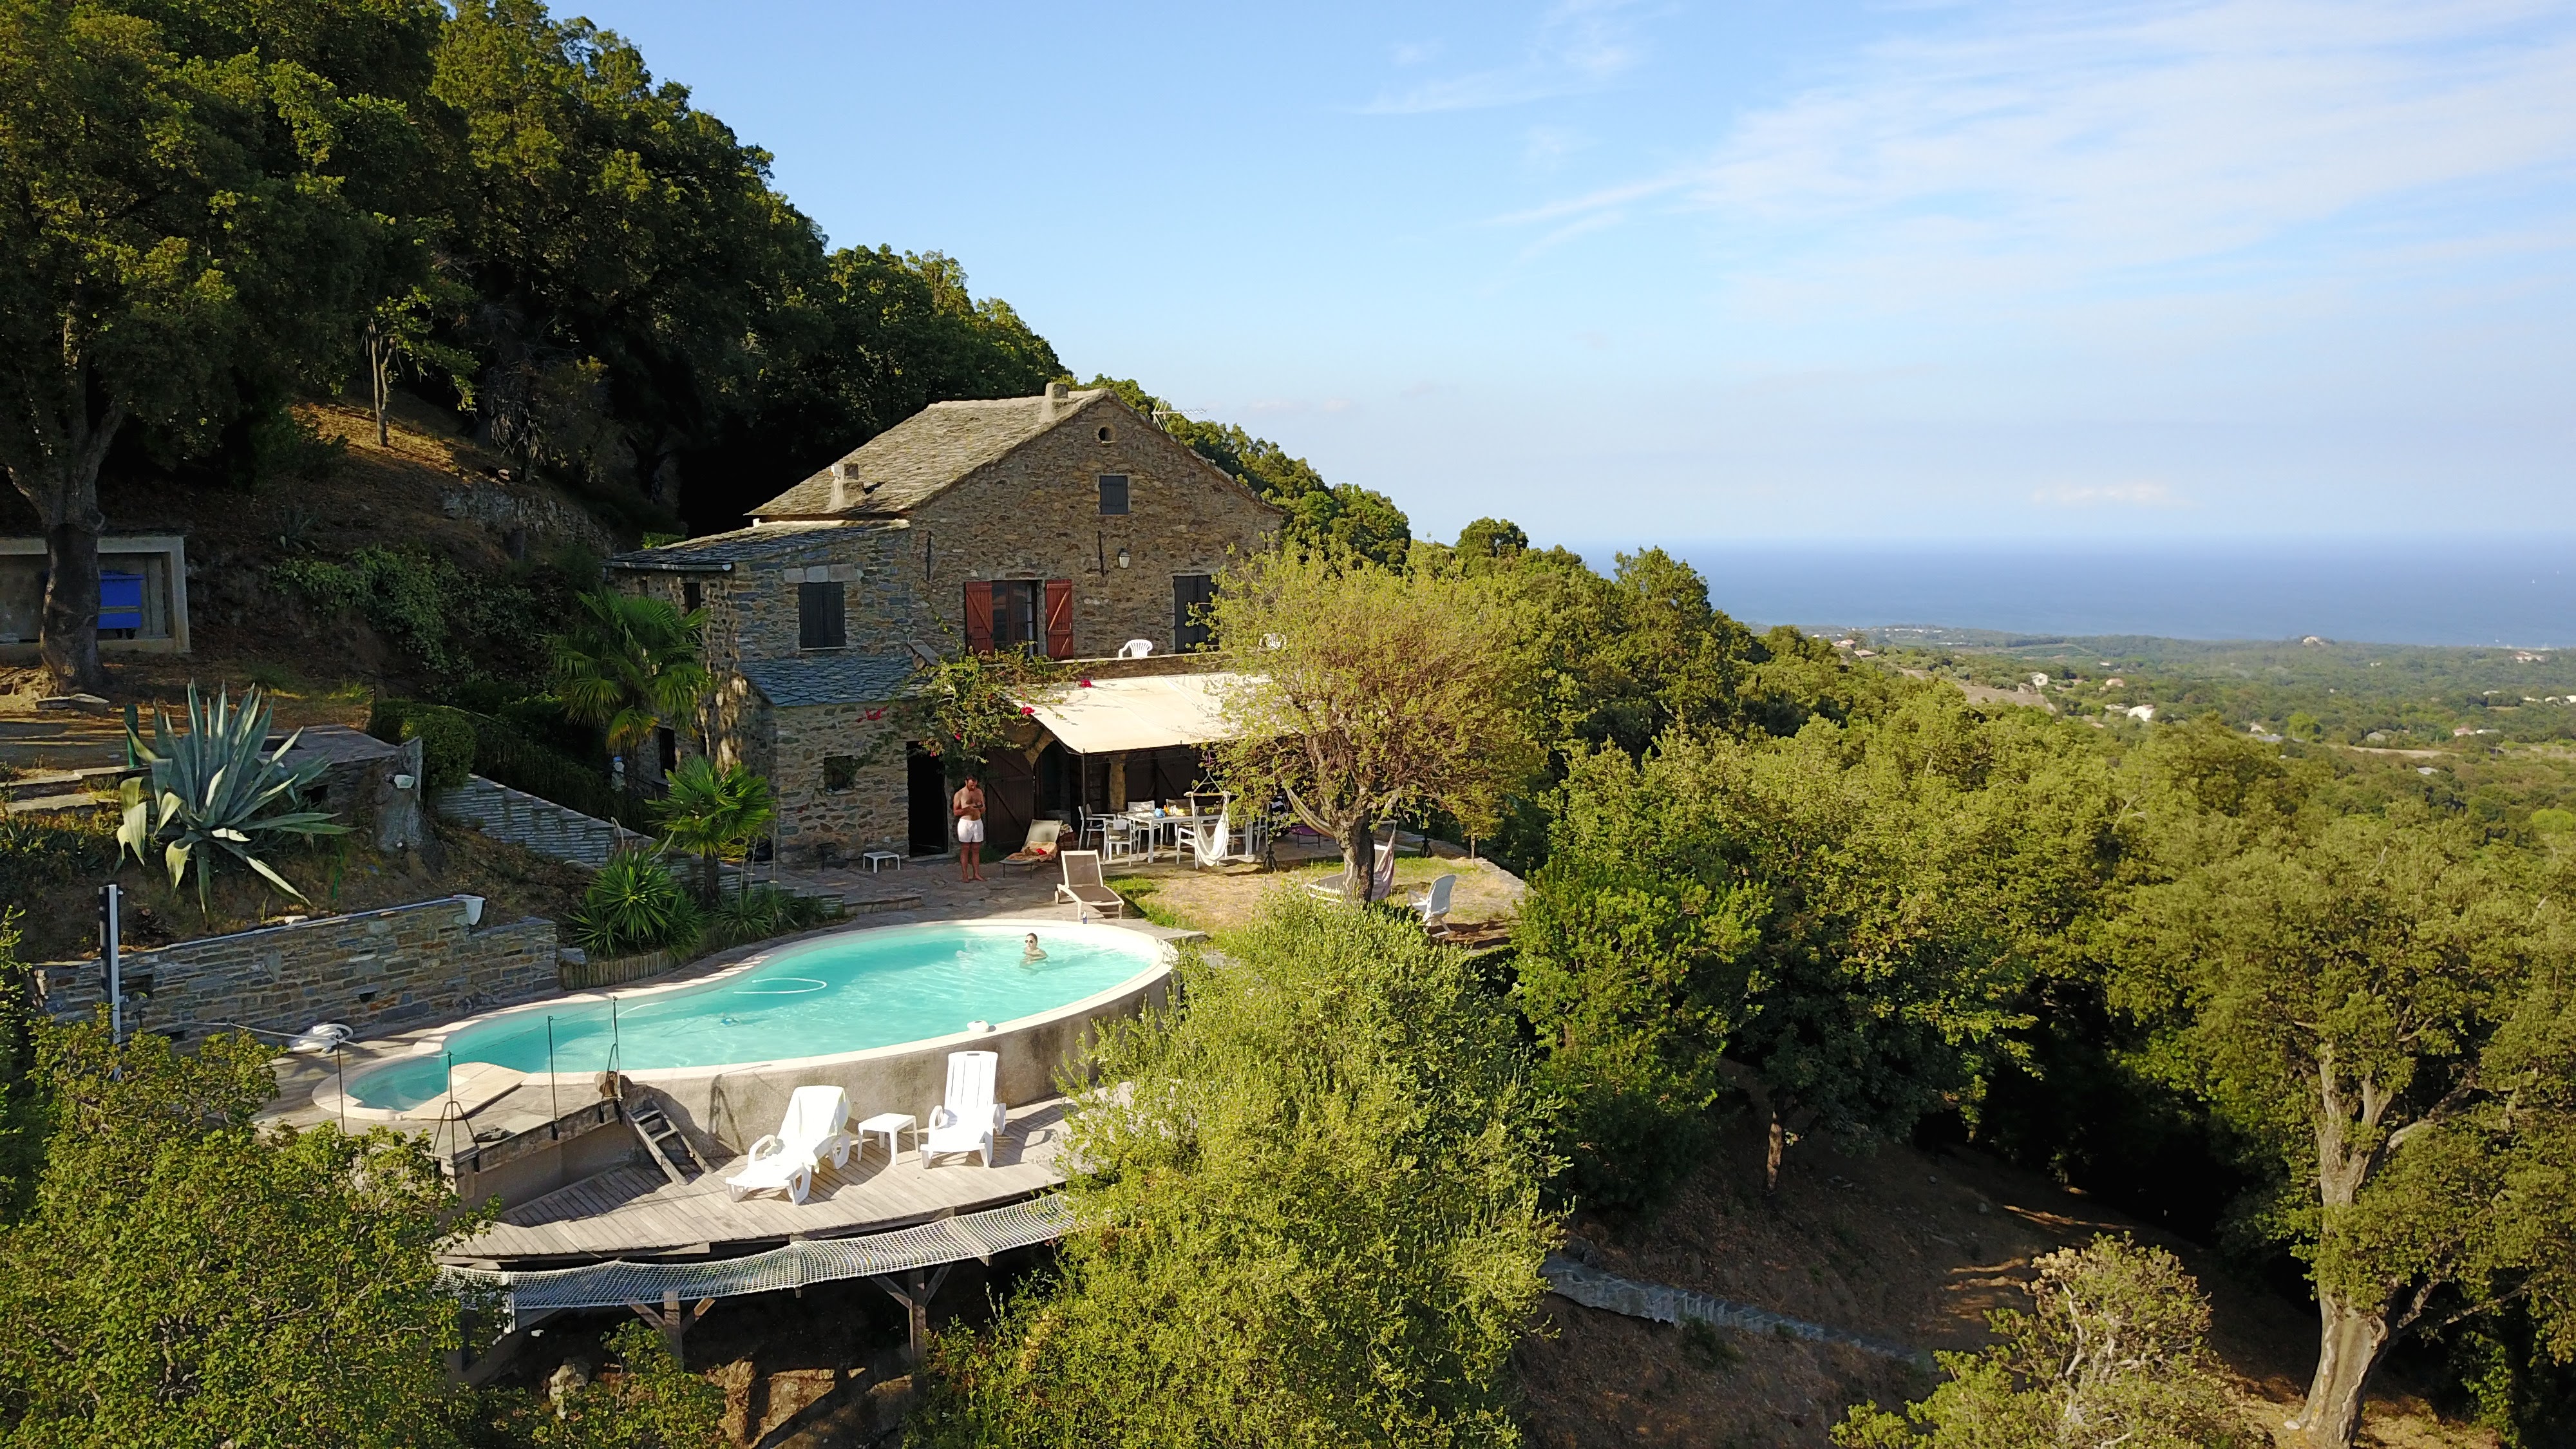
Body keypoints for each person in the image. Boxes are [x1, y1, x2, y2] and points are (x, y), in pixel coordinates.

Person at [953, 773, 987, 882]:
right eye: (971, 785)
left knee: (976, 849)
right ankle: (965, 875)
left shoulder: (979, 792)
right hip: (965, 823)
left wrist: (980, 807)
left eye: (975, 785)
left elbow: (983, 809)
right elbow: (956, 812)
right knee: (965, 848)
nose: (973, 787)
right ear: (966, 782)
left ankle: (976, 874)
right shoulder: (960, 794)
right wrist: (968, 809)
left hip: (977, 822)